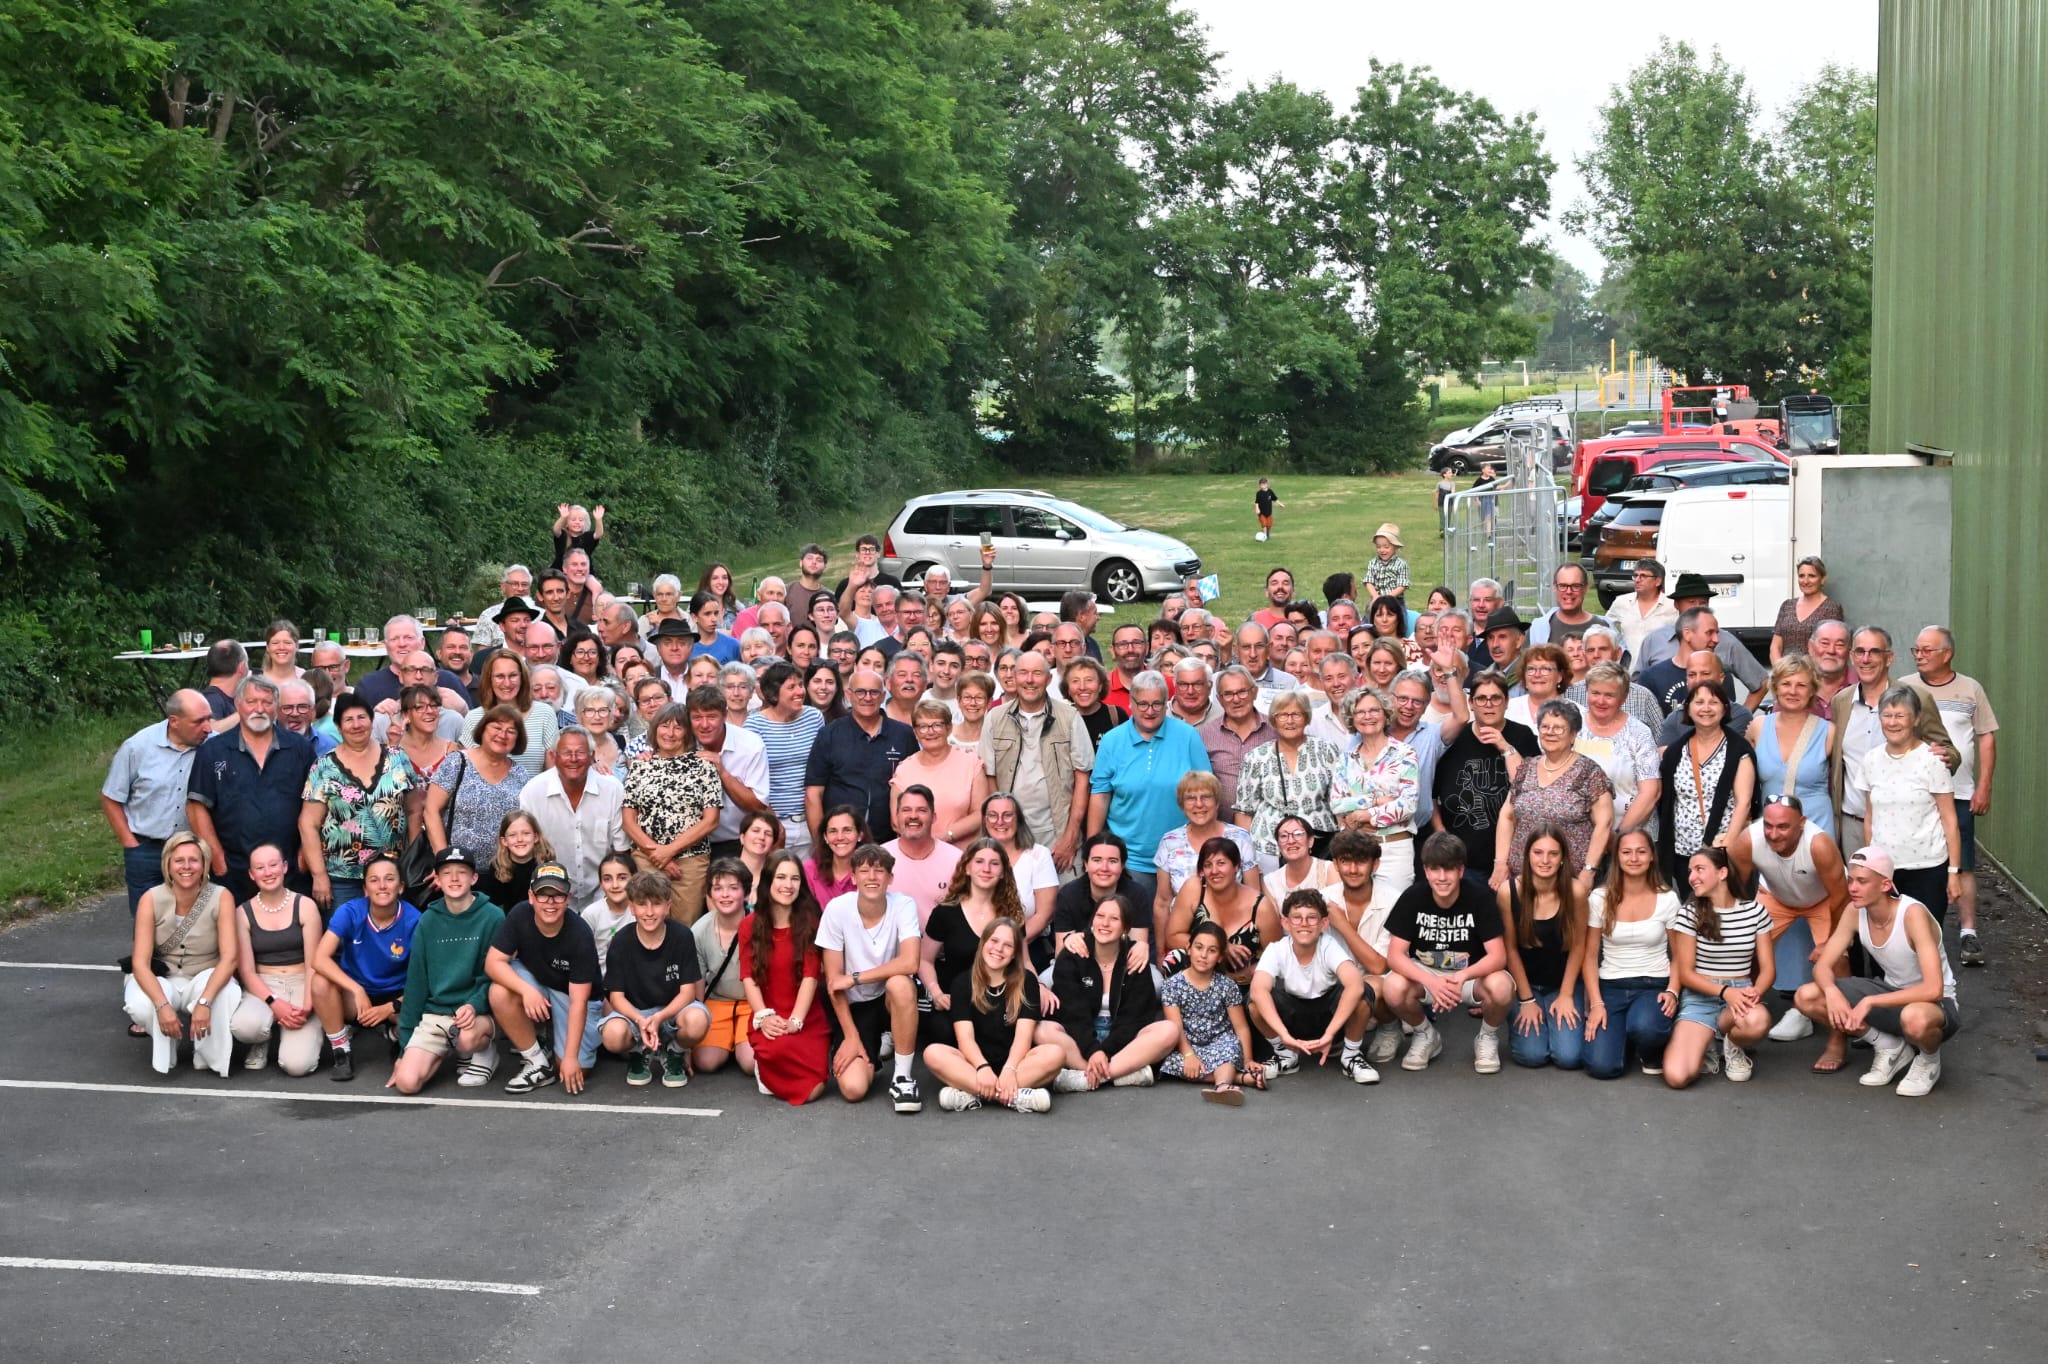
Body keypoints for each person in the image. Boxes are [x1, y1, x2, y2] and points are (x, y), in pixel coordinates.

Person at [1792, 846, 1959, 1097]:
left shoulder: (1912, 914)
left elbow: (1933, 988)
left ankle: (1928, 1060)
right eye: (1850, 880)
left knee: (1915, 1018)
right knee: (1807, 996)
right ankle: (1889, 1047)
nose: (1852, 888)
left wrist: (1870, 1000)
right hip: (1891, 992)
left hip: (1934, 1003)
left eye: (1862, 881)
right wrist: (1831, 991)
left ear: (1884, 885)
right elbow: (1824, 964)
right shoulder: (1854, 911)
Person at [1901, 626, 1998, 965]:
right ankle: (1910, 930)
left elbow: (1986, 737)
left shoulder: (1970, 689)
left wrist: (1984, 785)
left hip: (1959, 792)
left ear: (1947, 654)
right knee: (1914, 860)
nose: (1919, 655)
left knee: (1964, 863)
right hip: (1913, 794)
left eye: (1927, 650)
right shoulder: (1904, 686)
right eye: (1916, 649)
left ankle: (1968, 933)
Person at [1727, 794, 1851, 1053]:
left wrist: (1830, 942)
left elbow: (1841, 898)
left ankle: (1838, 1039)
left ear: (1802, 823)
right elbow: (1735, 889)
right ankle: (1742, 1023)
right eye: (1768, 825)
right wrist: (1740, 926)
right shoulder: (1748, 840)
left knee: (1836, 959)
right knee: (1743, 949)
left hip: (1825, 901)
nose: (1773, 834)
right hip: (1776, 897)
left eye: (1783, 827)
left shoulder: (1819, 845)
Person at [1381, 832, 1513, 1073]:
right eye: (1434, 870)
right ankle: (1426, 1034)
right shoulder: (1412, 897)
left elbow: (1498, 956)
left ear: (1461, 871)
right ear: (1426, 870)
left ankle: (1487, 1037)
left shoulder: (1480, 896)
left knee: (1502, 986)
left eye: (1449, 870)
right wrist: (1432, 981)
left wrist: (1461, 977)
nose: (1442, 878)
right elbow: (1395, 955)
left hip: (1469, 975)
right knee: (1392, 986)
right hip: (1427, 973)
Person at [184, 675, 319, 902]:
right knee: (234, 934)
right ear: (238, 705)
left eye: (267, 702)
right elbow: (197, 807)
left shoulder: (300, 749)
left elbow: (316, 805)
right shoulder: (213, 751)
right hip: (234, 870)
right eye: (251, 702)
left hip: (290, 868)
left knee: (294, 933)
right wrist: (217, 858)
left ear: (276, 708)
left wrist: (305, 855)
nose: (259, 709)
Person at [1087, 670, 1213, 907]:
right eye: (1142, 703)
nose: (1149, 710)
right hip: (1130, 857)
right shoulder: (1113, 740)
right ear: (1131, 703)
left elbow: (1206, 790)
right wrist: (1094, 848)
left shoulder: (1187, 736)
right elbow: (1100, 794)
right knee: (1134, 927)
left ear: (1167, 704)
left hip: (1181, 854)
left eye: (1157, 704)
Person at [390, 845, 507, 1092]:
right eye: (447, 873)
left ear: (474, 878)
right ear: (438, 880)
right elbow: (416, 984)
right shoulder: (427, 921)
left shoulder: (493, 917)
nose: (454, 878)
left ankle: (482, 1050)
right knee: (406, 1083)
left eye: (462, 872)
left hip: (475, 1013)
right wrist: (404, 1050)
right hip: (436, 1014)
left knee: (466, 1039)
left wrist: (474, 1005)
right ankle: (445, 1049)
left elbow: (494, 975)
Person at [124, 832, 242, 1076]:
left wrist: (204, 1002)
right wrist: (162, 1006)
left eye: (194, 860)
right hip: (164, 977)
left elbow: (230, 957)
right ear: (168, 864)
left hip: (203, 974)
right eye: (179, 860)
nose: (186, 867)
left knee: (227, 991)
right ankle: (169, 1044)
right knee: (140, 1004)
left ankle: (208, 1055)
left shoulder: (222, 896)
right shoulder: (150, 898)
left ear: (204, 864)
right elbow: (140, 963)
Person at [817, 844, 924, 1109]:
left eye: (879, 871)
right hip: (853, 1006)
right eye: (864, 871)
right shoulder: (836, 909)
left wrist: (855, 977)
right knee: (853, 1089)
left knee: (901, 984)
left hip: (887, 998)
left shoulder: (903, 904)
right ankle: (869, 1046)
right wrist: (851, 1037)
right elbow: (833, 982)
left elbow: (910, 962)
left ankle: (902, 1077)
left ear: (890, 878)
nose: (872, 877)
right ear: (853, 877)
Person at [1848, 684, 1963, 928]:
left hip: (1927, 868)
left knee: (1925, 941)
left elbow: (1949, 820)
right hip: (1885, 872)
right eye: (1887, 715)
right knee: (1886, 938)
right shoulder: (1871, 760)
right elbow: (1870, 817)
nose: (1892, 723)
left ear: (1916, 719)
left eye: (1900, 715)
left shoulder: (1933, 759)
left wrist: (1953, 872)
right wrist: (1871, 862)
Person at [298, 692, 423, 914]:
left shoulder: (397, 757)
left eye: (362, 717)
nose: (356, 725)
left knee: (390, 939)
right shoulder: (324, 767)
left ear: (372, 721)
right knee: (342, 941)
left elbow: (414, 809)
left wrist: (412, 861)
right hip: (342, 878)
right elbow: (308, 823)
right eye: (349, 719)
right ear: (338, 726)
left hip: (391, 874)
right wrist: (319, 876)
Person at [484, 862, 604, 1094]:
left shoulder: (580, 933)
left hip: (574, 996)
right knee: (499, 991)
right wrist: (527, 991)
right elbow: (493, 962)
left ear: (568, 898)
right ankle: (536, 1060)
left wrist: (570, 1058)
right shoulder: (520, 914)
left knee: (571, 1068)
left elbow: (579, 1002)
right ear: (531, 896)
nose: (550, 902)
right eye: (543, 895)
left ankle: (554, 1045)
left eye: (557, 895)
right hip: (538, 981)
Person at [1662, 847, 1776, 1088]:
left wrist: (1756, 991)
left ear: (1722, 872)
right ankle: (1709, 1043)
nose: (1692, 877)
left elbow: (1767, 969)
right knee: (1677, 1076)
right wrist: (1725, 992)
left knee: (1758, 1021)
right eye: (1690, 871)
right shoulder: (1689, 913)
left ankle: (1732, 1044)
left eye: (1700, 869)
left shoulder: (1755, 912)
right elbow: (1685, 973)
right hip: (1701, 996)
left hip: (1742, 992)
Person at [924, 919, 1061, 1114]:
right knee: (933, 1053)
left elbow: (1024, 1037)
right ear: (983, 944)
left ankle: (972, 1094)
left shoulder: (1027, 981)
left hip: (1017, 1063)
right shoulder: (963, 982)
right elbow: (965, 1039)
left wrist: (1010, 1069)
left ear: (1014, 954)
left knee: (1055, 1054)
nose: (999, 949)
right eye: (994, 941)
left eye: (1008, 945)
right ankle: (1014, 1097)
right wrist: (982, 1068)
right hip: (974, 1064)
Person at [1042, 895, 1177, 1090]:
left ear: (1125, 927)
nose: (1105, 923)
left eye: (1114, 919)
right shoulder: (1072, 954)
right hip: (1079, 1037)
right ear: (1092, 921)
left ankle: (1089, 1077)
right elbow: (1073, 1015)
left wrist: (1104, 1051)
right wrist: (1092, 1050)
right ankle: (1117, 1074)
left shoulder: (1135, 957)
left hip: (1121, 1037)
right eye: (1100, 916)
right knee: (1041, 1029)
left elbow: (1134, 1019)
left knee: (1169, 1030)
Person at [591, 869, 709, 1089]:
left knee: (697, 1020)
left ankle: (675, 1050)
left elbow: (688, 992)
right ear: (632, 907)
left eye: (656, 904)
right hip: (637, 1014)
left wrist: (660, 1017)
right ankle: (638, 1052)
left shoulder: (682, 936)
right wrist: (640, 1020)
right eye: (642, 904)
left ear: (668, 905)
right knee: (613, 1035)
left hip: (672, 1012)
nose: (649, 911)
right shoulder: (621, 941)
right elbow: (616, 997)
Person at [977, 650, 1092, 869]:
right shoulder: (995, 718)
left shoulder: (1069, 718)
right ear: (1014, 678)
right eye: (1023, 673)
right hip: (1009, 834)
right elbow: (989, 777)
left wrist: (1070, 837)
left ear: (1049, 679)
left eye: (1037, 673)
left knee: (1061, 899)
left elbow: (1082, 778)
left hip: (1056, 833)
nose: (1029, 680)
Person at [1581, 829, 1681, 1079]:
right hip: (1611, 986)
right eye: (1626, 852)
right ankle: (1622, 1037)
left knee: (1646, 1027)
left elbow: (1679, 956)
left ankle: (1650, 1048)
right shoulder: (1599, 897)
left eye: (1641, 851)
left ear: (1651, 857)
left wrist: (1673, 991)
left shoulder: (1667, 898)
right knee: (1601, 1067)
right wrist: (1595, 1003)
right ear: (1617, 857)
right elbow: (1590, 955)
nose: (1634, 858)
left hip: (1653, 984)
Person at [311, 855, 421, 1081]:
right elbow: (319, 959)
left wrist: (391, 1007)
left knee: (420, 1027)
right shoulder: (350, 911)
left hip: (396, 995)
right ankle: (341, 1050)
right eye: (374, 880)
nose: (382, 886)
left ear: (400, 887)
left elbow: (424, 978)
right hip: (356, 996)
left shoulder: (415, 919)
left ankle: (394, 1036)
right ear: (364, 889)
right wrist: (357, 990)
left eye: (389, 879)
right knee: (320, 981)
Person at [104, 690, 213, 915]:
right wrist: (130, 844)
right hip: (147, 849)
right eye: (199, 722)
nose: (208, 728)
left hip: (195, 849)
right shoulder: (137, 748)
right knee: (148, 920)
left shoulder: (215, 746)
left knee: (194, 922)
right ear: (174, 721)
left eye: (209, 718)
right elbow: (111, 798)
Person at [1250, 890, 1376, 1082]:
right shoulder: (1277, 949)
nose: (1304, 924)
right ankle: (1285, 1054)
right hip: (1292, 1020)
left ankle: (1351, 1055)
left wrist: (1330, 1034)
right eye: (1297, 918)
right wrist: (1284, 1035)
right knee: (1254, 1001)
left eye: (1311, 918)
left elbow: (1355, 985)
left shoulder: (1328, 945)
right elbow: (1258, 990)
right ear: (1286, 923)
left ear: (1323, 924)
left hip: (1328, 1017)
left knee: (1363, 993)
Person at [222, 841, 322, 1075]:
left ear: (285, 867)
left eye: (273, 864)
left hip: (302, 983)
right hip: (264, 985)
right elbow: (246, 970)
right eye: (260, 867)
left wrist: (308, 1005)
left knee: (297, 1066)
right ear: (251, 874)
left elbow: (314, 963)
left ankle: (308, 1030)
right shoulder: (242, 913)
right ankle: (262, 1039)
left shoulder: (305, 905)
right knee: (245, 1027)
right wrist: (274, 1003)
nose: (268, 872)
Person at [738, 850, 830, 1104]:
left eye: (795, 878)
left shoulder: (811, 922)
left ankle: (777, 1068)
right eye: (781, 877)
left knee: (814, 1090)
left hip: (806, 1016)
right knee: (777, 1048)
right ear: (768, 881)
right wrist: (764, 1017)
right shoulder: (749, 925)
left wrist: (796, 1021)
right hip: (768, 1012)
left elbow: (811, 976)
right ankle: (765, 1067)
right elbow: (749, 977)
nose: (788, 885)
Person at [621, 701, 724, 922]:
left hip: (690, 863)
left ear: (687, 732)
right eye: (664, 726)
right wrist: (659, 856)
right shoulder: (639, 767)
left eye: (678, 727)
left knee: (685, 928)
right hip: (647, 860)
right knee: (648, 922)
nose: (670, 733)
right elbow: (629, 821)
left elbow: (711, 820)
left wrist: (669, 851)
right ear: (655, 728)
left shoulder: (703, 766)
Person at [1500, 828, 1589, 1071]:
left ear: (1562, 858)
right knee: (1532, 1056)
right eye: (1538, 853)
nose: (1545, 860)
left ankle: (1558, 1019)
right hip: (1526, 984)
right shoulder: (1509, 892)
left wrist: (1567, 995)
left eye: (1552, 854)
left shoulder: (1575, 891)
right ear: (1527, 855)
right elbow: (1509, 949)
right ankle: (1526, 1020)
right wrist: (1526, 999)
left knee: (1569, 1057)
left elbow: (1579, 946)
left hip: (1563, 983)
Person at [1430, 671, 1535, 877]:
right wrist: (1440, 831)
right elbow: (1432, 793)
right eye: (1481, 698)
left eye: (1496, 698)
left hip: (1514, 855)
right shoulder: (1455, 737)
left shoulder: (1522, 736)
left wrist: (1504, 746)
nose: (1489, 704)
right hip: (1461, 857)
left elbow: (1528, 787)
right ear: (1471, 703)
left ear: (1506, 702)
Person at [1654, 682, 1758, 880]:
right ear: (1689, 709)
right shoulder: (1676, 751)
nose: (1706, 708)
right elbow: (1668, 801)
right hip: (1684, 853)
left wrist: (1727, 845)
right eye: (1699, 702)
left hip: (1722, 851)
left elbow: (1743, 803)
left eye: (1714, 702)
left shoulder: (1738, 750)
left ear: (1724, 708)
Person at [1328, 684, 1422, 900]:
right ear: (1352, 718)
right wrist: (1376, 801)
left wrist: (1364, 816)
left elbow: (1407, 805)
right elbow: (1337, 804)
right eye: (1360, 712)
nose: (1367, 716)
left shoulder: (1404, 753)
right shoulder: (1346, 759)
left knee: (1395, 913)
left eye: (1374, 710)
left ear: (1385, 714)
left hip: (1394, 850)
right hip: (1354, 850)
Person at [517, 725, 627, 906]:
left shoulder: (612, 789)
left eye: (581, 752)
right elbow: (527, 849)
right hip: (551, 897)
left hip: (603, 896)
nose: (573, 759)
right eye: (566, 753)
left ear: (592, 755)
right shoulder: (533, 791)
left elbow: (621, 851)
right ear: (554, 756)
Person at [804, 665, 915, 845]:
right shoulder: (829, 734)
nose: (867, 698)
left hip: (890, 841)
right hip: (840, 843)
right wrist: (820, 845)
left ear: (883, 695)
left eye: (873, 692)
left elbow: (913, 787)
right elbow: (813, 794)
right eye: (861, 692)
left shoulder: (903, 735)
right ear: (849, 695)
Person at [1233, 689, 1343, 868]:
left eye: (1296, 714)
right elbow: (1244, 811)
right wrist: (1244, 856)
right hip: (1269, 845)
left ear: (1306, 718)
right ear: (1273, 719)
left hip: (1319, 843)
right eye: (1282, 715)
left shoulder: (1327, 750)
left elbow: (1339, 802)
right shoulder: (1256, 757)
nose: (1289, 721)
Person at [1159, 922, 1265, 1103]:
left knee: (1230, 1049)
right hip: (1188, 1044)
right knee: (1170, 1063)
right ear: (1189, 948)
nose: (1204, 955)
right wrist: (1189, 1055)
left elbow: (1241, 1028)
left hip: (1220, 1042)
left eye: (1212, 950)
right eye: (1199, 947)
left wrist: (1248, 1060)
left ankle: (1222, 1086)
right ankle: (1239, 1078)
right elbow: (1175, 1025)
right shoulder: (1172, 985)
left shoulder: (1226, 985)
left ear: (1220, 957)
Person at [1161, 837, 1278, 996]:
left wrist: (1252, 972)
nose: (1214, 871)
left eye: (1221, 863)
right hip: (1199, 975)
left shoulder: (1260, 905)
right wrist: (1221, 947)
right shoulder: (1193, 888)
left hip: (1242, 983)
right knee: (1174, 957)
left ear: (1236, 866)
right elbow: (1173, 937)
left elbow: (1275, 954)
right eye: (1208, 865)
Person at [425, 703, 532, 857]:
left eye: (511, 731)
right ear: (483, 729)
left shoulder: (520, 774)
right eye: (497, 728)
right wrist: (443, 859)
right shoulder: (457, 762)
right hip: (458, 871)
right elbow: (431, 810)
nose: (503, 735)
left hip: (505, 870)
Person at [1746, 655, 1836, 838]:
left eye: (1801, 685)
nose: (1793, 691)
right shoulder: (1758, 727)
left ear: (1812, 690)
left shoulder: (1828, 732)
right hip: (1772, 831)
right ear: (1776, 687)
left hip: (1816, 828)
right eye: (1786, 683)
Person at [743, 662, 824, 859]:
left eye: (800, 685)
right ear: (773, 693)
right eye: (791, 687)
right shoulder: (755, 724)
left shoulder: (814, 717)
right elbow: (748, 779)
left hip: (810, 821)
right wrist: (772, 823)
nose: (799, 692)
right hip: (773, 823)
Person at [1573, 662, 1661, 838]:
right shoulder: (1572, 724)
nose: (1600, 701)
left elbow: (1650, 791)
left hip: (1629, 839)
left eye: (1609, 695)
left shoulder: (1639, 732)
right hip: (1578, 838)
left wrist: (1617, 837)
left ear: (1624, 698)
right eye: (1595, 693)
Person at [890, 698, 988, 848]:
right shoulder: (904, 769)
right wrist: (927, 843)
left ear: (949, 728)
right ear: (915, 732)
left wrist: (943, 838)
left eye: (937, 725)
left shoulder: (971, 762)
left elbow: (980, 813)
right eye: (923, 726)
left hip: (963, 855)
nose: (930, 732)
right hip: (917, 853)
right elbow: (897, 822)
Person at [689, 859, 755, 1077]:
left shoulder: (759, 925)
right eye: (718, 888)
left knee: (750, 1063)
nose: (725, 895)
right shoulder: (699, 930)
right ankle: (730, 1041)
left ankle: (740, 1044)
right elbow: (697, 981)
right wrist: (697, 1020)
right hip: (717, 1001)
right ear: (710, 894)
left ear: (745, 893)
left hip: (752, 1002)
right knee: (706, 1062)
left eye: (733, 888)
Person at [461, 652, 558, 779]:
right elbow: (466, 772)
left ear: (522, 677)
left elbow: (553, 770)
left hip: (533, 796)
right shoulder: (474, 718)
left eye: (513, 676)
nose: (507, 683)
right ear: (489, 679)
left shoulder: (544, 713)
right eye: (500, 676)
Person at [880, 785, 962, 923]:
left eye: (921, 810)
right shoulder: (879, 857)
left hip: (942, 943)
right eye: (906, 810)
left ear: (933, 817)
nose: (913, 816)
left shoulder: (957, 859)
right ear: (897, 816)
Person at [475, 809, 553, 917]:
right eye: (512, 835)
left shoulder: (546, 864)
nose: (519, 839)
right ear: (504, 841)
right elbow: (495, 905)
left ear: (535, 837)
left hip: (541, 919)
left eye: (526, 833)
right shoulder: (498, 867)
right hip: (509, 921)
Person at [1770, 556, 1845, 662]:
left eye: (1811, 576)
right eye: (1801, 576)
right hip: (1785, 673)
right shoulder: (1787, 606)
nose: (1805, 581)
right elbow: (1775, 646)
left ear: (1822, 579)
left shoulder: (1832, 608)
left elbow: (1832, 650)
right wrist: (1780, 670)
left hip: (1814, 674)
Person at [1609, 560, 1678, 670]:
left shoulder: (1672, 606)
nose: (1637, 580)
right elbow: (1606, 628)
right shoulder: (1621, 602)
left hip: (1659, 670)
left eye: (1643, 576)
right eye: (1635, 575)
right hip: (1627, 672)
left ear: (1658, 581)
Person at [580, 851, 640, 975]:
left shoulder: (643, 911)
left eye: (622, 878)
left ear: (634, 879)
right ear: (601, 883)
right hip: (600, 982)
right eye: (607, 879)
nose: (615, 885)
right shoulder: (591, 913)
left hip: (635, 981)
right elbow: (582, 956)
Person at [1504, 644, 1579, 731]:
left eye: (1545, 669)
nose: (1537, 674)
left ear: (1560, 676)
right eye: (1531, 669)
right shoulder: (1507, 709)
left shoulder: (1576, 713)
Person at [394, 683, 461, 779]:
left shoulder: (451, 750)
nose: (429, 711)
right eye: (420, 707)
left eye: (433, 705)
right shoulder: (393, 749)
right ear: (406, 715)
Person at [1527, 563, 1602, 647]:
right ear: (1554, 587)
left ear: (1586, 588)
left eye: (1575, 586)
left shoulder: (1604, 627)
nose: (1569, 591)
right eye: (1562, 586)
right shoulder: (1537, 630)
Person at [1061, 657, 1125, 749]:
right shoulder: (1061, 719)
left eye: (1089, 680)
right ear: (1068, 689)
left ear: (1100, 686)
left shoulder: (1116, 716)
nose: (1082, 687)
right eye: (1075, 681)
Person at [200, 639, 249, 720]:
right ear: (242, 667)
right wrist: (247, 712)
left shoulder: (231, 698)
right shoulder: (212, 699)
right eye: (247, 663)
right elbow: (210, 729)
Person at [551, 502, 605, 567]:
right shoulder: (563, 535)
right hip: (560, 572)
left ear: (585, 523)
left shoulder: (587, 536)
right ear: (566, 523)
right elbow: (555, 530)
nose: (577, 522)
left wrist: (598, 520)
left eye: (581, 520)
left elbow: (599, 534)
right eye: (573, 520)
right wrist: (563, 517)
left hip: (584, 573)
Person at [1365, 523, 1409, 599]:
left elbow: (1402, 586)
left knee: (1400, 610)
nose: (1382, 550)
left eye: (1386, 547)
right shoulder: (1373, 563)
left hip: (1395, 600)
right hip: (1377, 599)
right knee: (1369, 609)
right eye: (1378, 547)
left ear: (1396, 547)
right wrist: (1375, 596)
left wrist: (1388, 598)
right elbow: (1368, 582)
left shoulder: (1401, 564)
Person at [258, 619, 304, 685]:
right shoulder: (253, 679)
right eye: (275, 643)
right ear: (267, 647)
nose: (281, 647)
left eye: (287, 643)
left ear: (297, 646)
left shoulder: (305, 677)